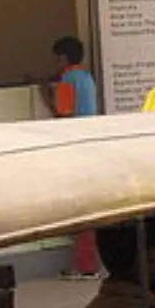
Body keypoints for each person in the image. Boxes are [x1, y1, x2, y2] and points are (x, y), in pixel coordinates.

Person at [46, 36, 103, 279]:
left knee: (82, 214)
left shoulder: (68, 79)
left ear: (63, 58)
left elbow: (63, 112)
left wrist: (45, 93)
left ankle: (85, 266)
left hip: (76, 147)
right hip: (90, 146)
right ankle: (88, 264)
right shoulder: (87, 77)